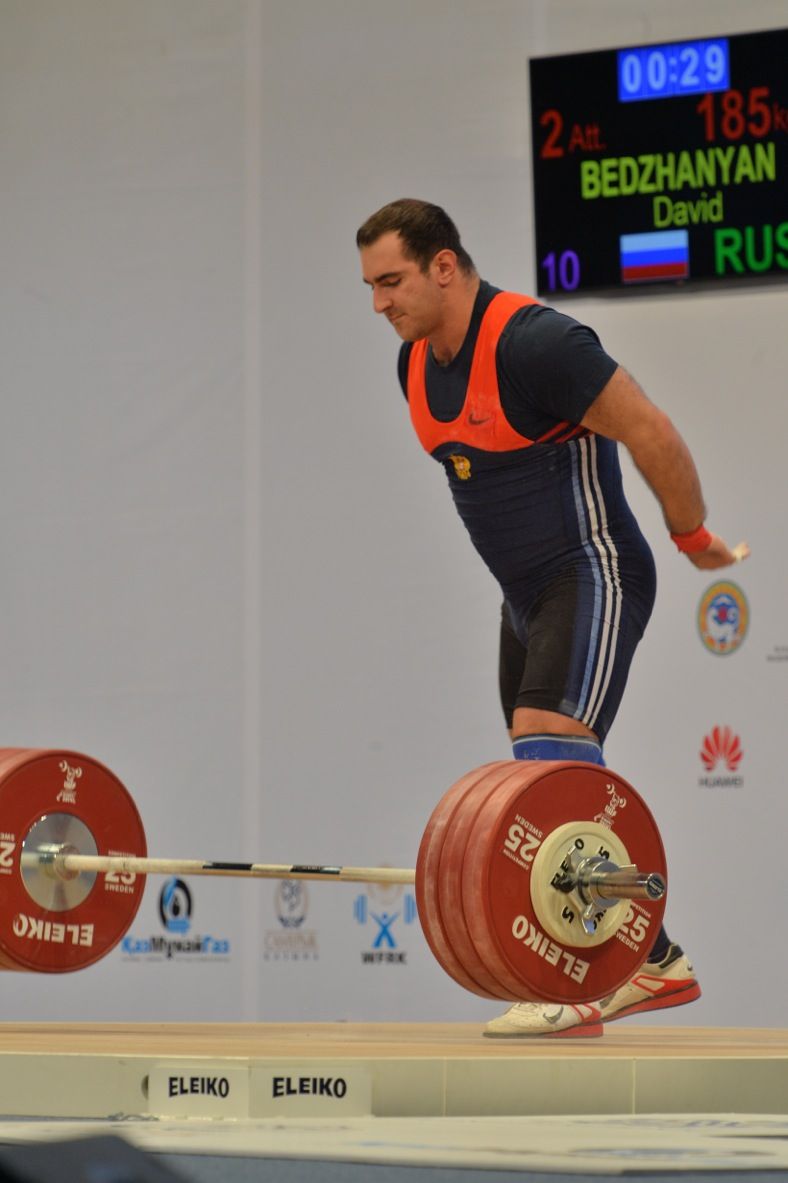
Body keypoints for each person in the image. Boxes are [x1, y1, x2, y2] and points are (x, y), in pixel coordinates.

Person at [356, 198, 749, 1038]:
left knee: (546, 743)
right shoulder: (414, 365)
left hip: (594, 570)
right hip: (526, 598)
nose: (379, 303)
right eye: (371, 287)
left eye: (391, 281)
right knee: (543, 784)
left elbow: (651, 430)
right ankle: (652, 961)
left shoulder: (537, 345)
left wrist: (693, 535)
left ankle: (577, 980)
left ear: (444, 266)